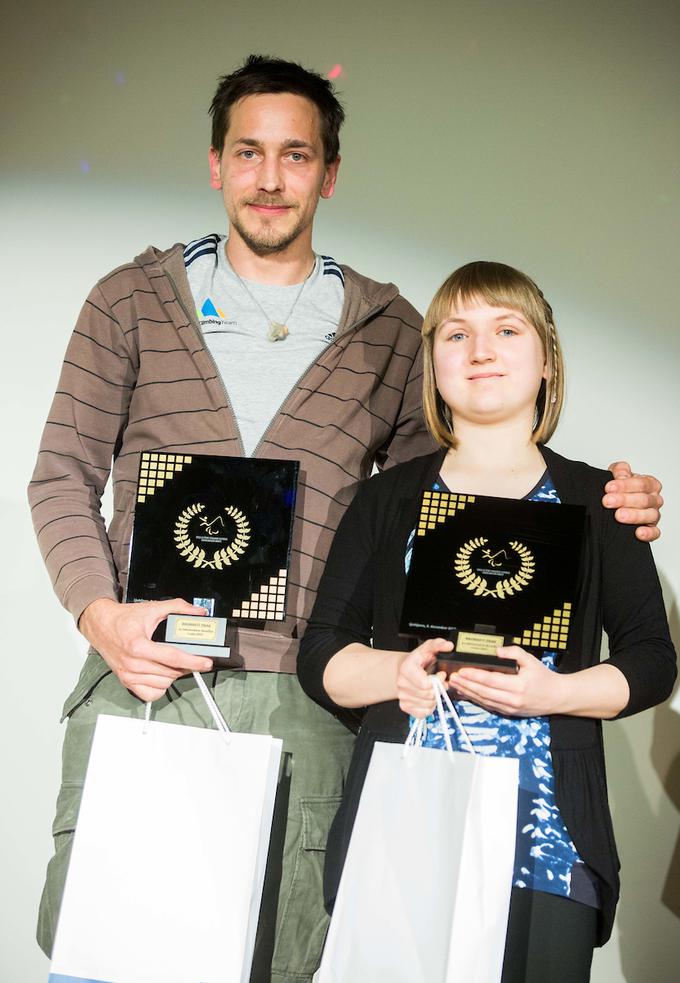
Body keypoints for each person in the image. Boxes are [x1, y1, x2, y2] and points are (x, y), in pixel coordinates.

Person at [29, 53, 662, 982]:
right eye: (248, 153)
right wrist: (101, 615)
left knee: (289, 957)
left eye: (296, 155)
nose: (271, 178)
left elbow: (451, 504)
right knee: (109, 957)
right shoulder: (128, 304)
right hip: (151, 682)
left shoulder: (390, 333)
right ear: (216, 164)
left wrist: (608, 502)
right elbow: (60, 476)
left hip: (309, 708)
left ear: (329, 173)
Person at [297, 261, 676, 983]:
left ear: (546, 359)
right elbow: (321, 653)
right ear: (431, 360)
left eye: (507, 329)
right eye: (456, 333)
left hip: (550, 846)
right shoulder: (385, 500)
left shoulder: (603, 501)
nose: (480, 350)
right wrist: (394, 672)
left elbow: (653, 660)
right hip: (402, 829)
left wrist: (553, 694)